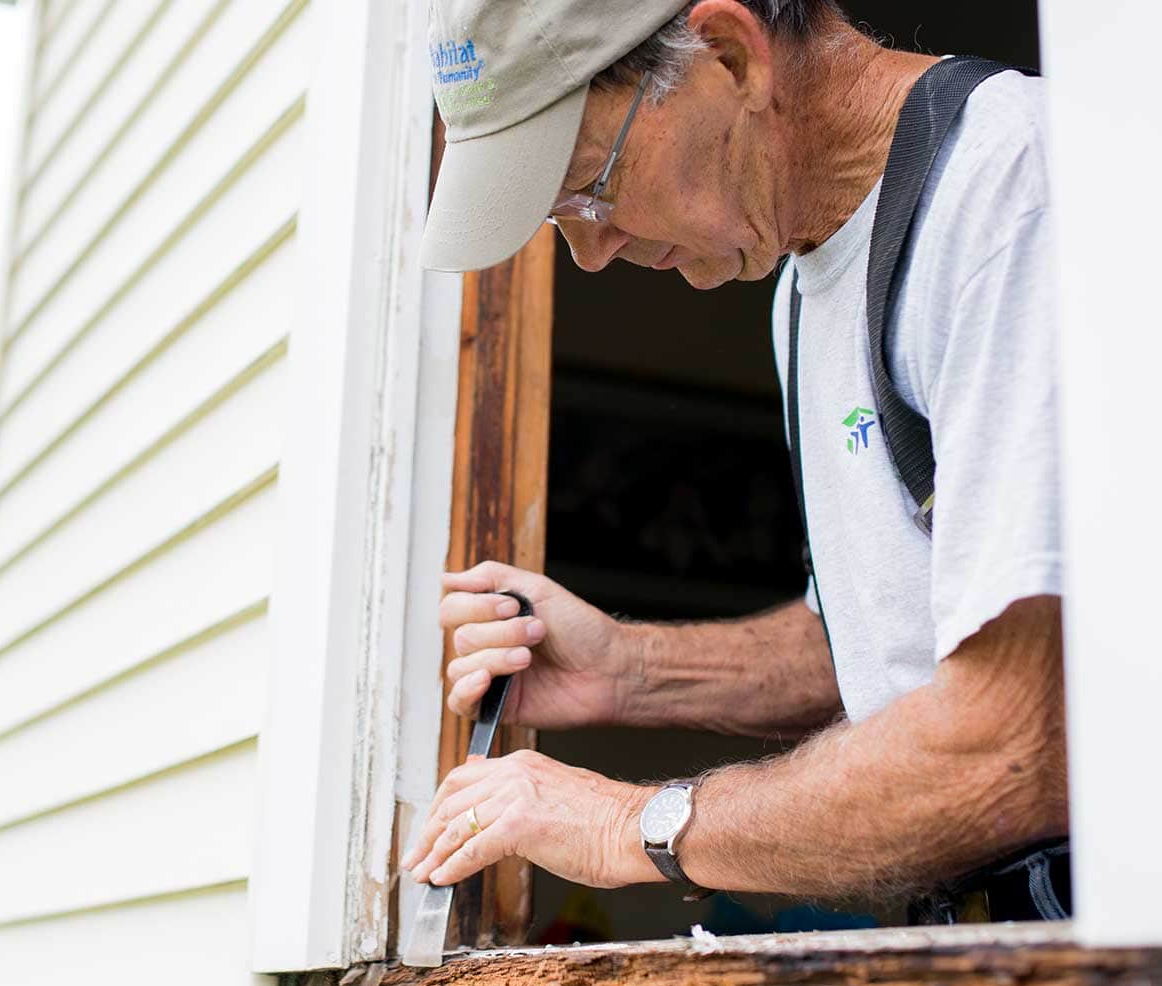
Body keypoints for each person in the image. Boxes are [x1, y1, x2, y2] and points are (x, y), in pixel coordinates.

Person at [400, 0, 1070, 923]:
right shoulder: (801, 284)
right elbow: (894, 645)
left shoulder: (1006, 191)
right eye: (562, 221)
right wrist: (630, 669)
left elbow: (1017, 741)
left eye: (589, 186)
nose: (591, 254)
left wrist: (631, 824)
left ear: (728, 55)